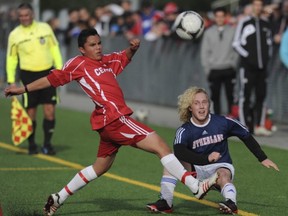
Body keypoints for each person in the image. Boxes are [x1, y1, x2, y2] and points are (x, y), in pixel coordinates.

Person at [4, 28, 218, 216]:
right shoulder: (77, 64)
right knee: (161, 146)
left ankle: (58, 197)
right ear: (81, 49)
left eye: (99, 43)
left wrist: (132, 49)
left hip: (107, 123)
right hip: (115, 118)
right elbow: (51, 79)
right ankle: (194, 186)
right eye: (92, 45)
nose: (98, 48)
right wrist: (22, 89)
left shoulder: (105, 61)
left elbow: (122, 57)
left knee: (99, 168)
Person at [146, 87, 279, 214]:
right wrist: (205, 159)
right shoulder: (184, 130)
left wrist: (262, 157)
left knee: (223, 174)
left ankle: (231, 203)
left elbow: (245, 135)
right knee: (172, 161)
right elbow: (180, 151)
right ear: (190, 107)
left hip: (219, 166)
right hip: (197, 169)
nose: (202, 106)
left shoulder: (223, 122)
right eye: (196, 103)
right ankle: (166, 202)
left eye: (204, 102)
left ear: (209, 105)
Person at [6, 3, 63, 155]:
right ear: (18, 16)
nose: (24, 18)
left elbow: (54, 48)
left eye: (27, 15)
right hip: (28, 75)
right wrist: (11, 80)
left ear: (33, 15)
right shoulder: (14, 34)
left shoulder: (45, 28)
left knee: (49, 110)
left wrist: (60, 69)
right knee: (31, 112)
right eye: (21, 15)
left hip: (48, 73)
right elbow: (11, 58)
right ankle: (32, 145)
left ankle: (47, 144)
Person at [232, 0, 273, 136]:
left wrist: (267, 58)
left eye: (260, 5)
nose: (258, 8)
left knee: (261, 96)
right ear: (251, 7)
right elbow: (236, 43)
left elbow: (269, 43)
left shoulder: (266, 23)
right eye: (255, 5)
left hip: (262, 68)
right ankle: (244, 126)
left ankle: (260, 125)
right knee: (246, 96)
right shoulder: (244, 22)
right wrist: (248, 56)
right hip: (248, 67)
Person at [200, 7, 238, 115]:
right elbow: (204, 52)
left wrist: (233, 63)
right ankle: (217, 120)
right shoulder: (208, 32)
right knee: (215, 96)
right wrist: (208, 68)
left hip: (228, 68)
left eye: (222, 16)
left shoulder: (232, 31)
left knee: (230, 95)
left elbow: (236, 49)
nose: (220, 19)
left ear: (225, 17)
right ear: (215, 18)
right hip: (214, 69)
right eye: (218, 16)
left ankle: (231, 119)